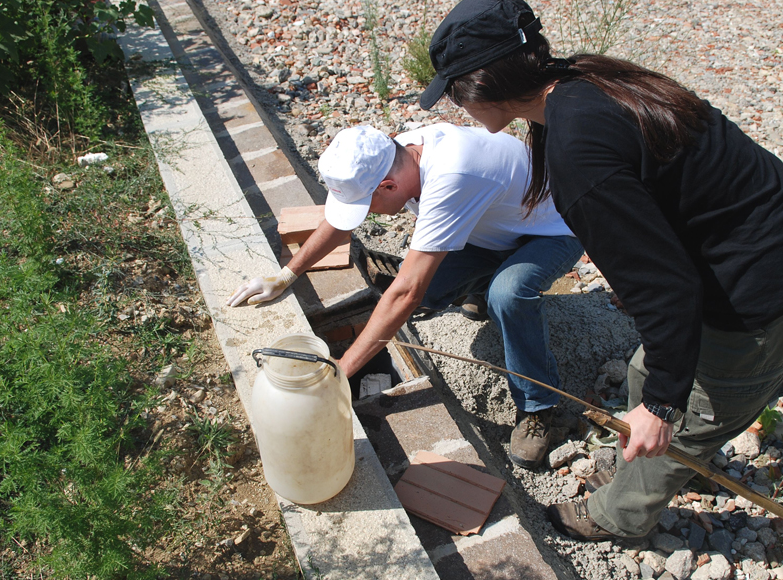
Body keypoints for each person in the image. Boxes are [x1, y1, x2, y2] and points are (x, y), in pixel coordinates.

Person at [418, 0, 783, 541]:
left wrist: (664, 407)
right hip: (767, 243)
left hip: (764, 289)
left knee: (689, 422)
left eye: (453, 93)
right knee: (646, 370)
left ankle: (616, 516)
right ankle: (647, 455)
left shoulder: (578, 150)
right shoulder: (579, 82)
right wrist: (658, 384)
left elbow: (666, 286)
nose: (457, 107)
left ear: (480, 84)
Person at [227, 124, 584, 469]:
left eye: (367, 207)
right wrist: (286, 275)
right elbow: (340, 223)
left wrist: (341, 371)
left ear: (388, 185)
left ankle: (538, 407)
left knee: (507, 293)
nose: (365, 216)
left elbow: (406, 294)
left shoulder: (452, 176)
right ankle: (485, 281)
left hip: (552, 230)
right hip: (494, 226)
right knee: (431, 287)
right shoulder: (396, 152)